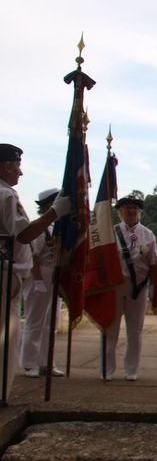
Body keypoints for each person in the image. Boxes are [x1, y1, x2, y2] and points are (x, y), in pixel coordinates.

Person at [0, 144, 70, 396]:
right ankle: (13, 379)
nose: (20, 172)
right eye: (17, 166)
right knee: (14, 331)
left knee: (45, 323)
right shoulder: (7, 195)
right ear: (6, 166)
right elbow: (25, 236)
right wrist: (54, 213)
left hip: (20, 272)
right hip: (11, 273)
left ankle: (42, 362)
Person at [104, 196, 157, 382]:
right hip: (115, 287)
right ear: (119, 212)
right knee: (110, 330)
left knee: (135, 331)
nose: (131, 211)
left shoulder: (148, 234)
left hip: (139, 287)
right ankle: (107, 369)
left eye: (135, 209)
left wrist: (151, 287)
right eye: (127, 208)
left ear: (140, 212)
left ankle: (131, 370)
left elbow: (153, 264)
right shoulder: (111, 233)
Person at [20, 188, 64, 378]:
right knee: (35, 321)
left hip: (53, 273)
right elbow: (34, 257)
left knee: (50, 322)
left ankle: (47, 362)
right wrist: (37, 280)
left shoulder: (57, 227)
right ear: (48, 206)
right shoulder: (39, 228)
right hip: (41, 273)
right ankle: (30, 363)